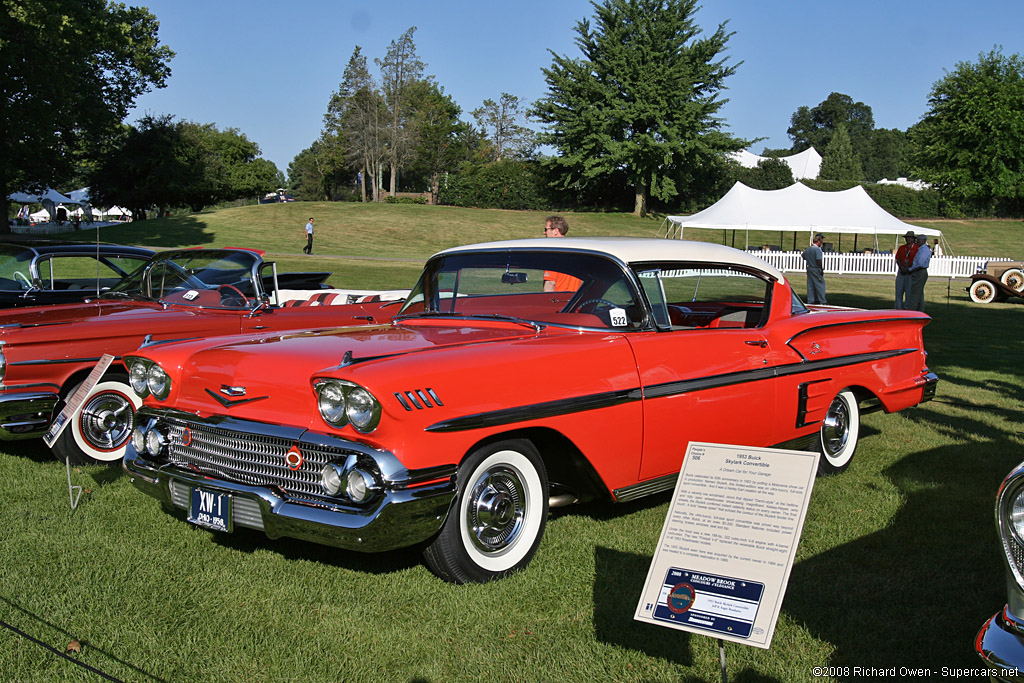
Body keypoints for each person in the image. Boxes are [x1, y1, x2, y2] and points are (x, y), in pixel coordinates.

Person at [542, 216, 581, 293]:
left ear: (556, 231)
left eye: (546, 229)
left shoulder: (555, 254)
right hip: (574, 301)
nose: (544, 233)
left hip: (558, 301)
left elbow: (550, 284)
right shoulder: (575, 252)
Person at [894, 230, 918, 309]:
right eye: (907, 238)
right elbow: (897, 259)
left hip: (911, 272)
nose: (908, 239)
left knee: (909, 293)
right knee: (899, 292)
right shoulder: (902, 248)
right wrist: (902, 268)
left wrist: (908, 269)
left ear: (913, 239)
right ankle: (898, 308)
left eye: (910, 238)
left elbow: (917, 261)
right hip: (901, 271)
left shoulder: (916, 248)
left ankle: (907, 308)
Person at [907, 233, 931, 312]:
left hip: (919, 272)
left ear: (924, 240)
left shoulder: (924, 250)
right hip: (919, 271)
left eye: (919, 239)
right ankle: (920, 309)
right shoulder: (921, 249)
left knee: (915, 293)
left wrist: (910, 269)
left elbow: (920, 264)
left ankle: (912, 310)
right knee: (919, 292)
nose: (917, 241)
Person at [802, 233, 827, 304]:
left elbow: (803, 256)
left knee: (810, 285)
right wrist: (821, 269)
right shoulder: (817, 249)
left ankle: (811, 300)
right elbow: (818, 260)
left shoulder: (808, 249)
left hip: (809, 267)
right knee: (820, 284)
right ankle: (822, 300)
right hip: (816, 268)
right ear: (819, 241)